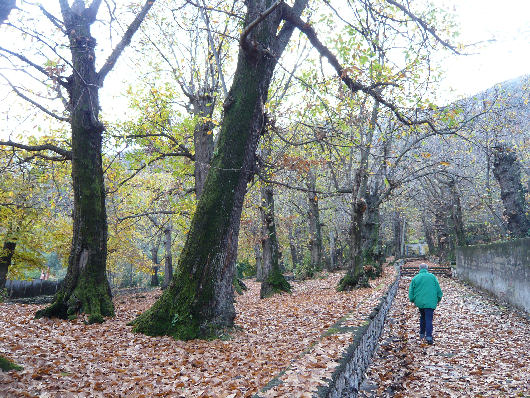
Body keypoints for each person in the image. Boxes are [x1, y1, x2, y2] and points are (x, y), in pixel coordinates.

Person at [408, 263, 443, 345]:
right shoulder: (432, 277)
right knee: (429, 318)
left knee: (422, 317)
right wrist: (438, 299)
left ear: (419, 269)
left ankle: (421, 334)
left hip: (420, 302)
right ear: (427, 269)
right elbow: (438, 290)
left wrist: (412, 300)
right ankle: (429, 337)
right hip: (430, 302)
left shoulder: (415, 278)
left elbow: (411, 291)